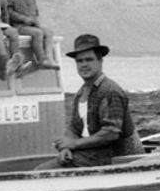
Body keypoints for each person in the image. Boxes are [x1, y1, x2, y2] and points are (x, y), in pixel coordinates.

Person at [37, 34, 144, 169]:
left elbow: (110, 133)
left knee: (42, 171)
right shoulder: (81, 93)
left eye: (89, 59)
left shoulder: (109, 91)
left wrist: (74, 144)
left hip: (117, 158)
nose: (84, 65)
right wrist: (66, 147)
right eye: (80, 61)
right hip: (92, 154)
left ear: (100, 61)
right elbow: (74, 128)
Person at [5, 0, 61, 74]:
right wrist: (25, 19)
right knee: (38, 33)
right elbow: (9, 13)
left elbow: (35, 13)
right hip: (18, 27)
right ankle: (41, 60)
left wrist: (36, 22)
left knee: (48, 32)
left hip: (31, 25)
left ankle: (49, 58)